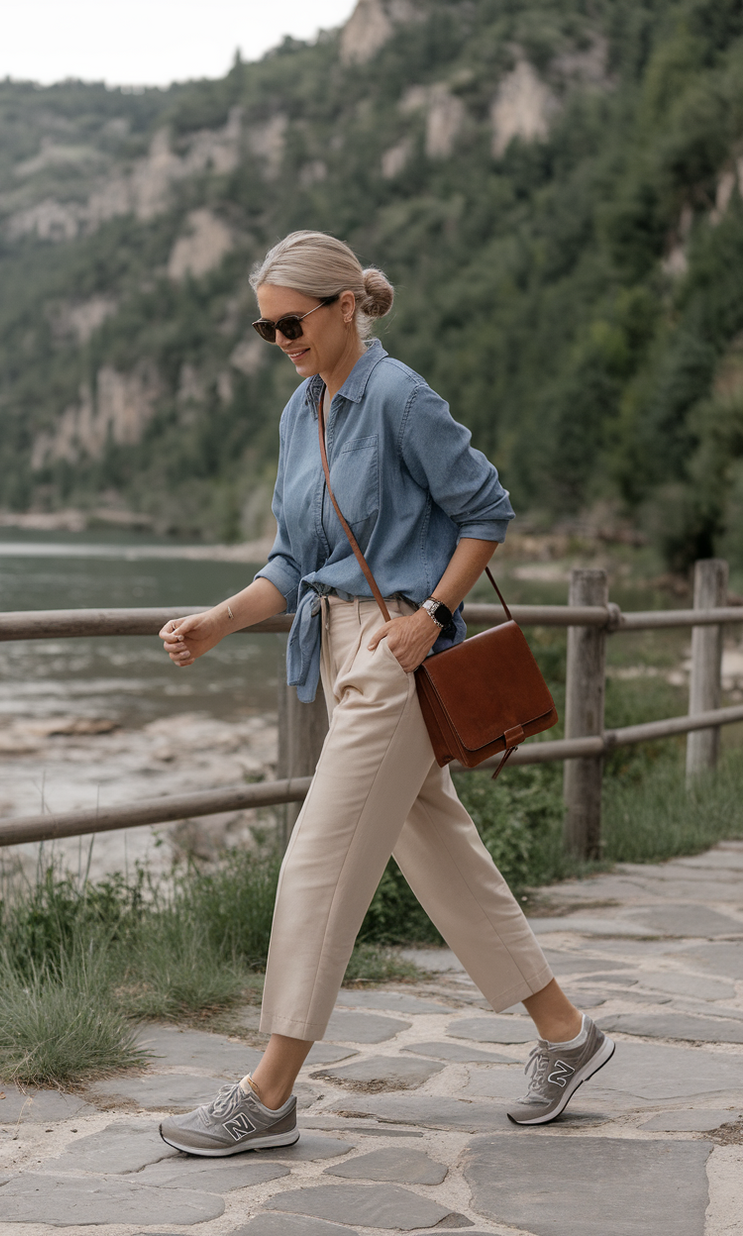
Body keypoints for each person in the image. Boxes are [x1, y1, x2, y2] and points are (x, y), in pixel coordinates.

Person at [156, 231, 614, 1156]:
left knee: (317, 862)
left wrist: (433, 616)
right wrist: (218, 619)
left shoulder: (400, 396)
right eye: (264, 327)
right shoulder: (302, 413)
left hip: (397, 652)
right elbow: (294, 561)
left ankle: (271, 1091)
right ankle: (568, 1036)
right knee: (441, 850)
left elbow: (487, 508)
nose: (280, 339)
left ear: (343, 307)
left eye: (291, 322)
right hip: (333, 646)